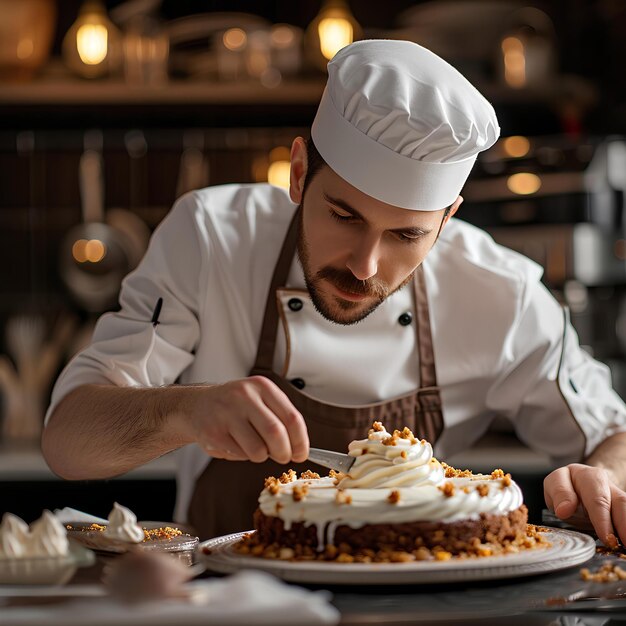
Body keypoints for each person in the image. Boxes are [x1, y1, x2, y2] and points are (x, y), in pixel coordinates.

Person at [42, 40, 626, 542]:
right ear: (298, 173)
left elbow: (613, 435)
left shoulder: (502, 292)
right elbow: (69, 442)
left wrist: (600, 477)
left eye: (406, 234)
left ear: (447, 219)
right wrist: (186, 409)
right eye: (344, 217)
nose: (366, 266)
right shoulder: (212, 238)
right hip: (226, 607)